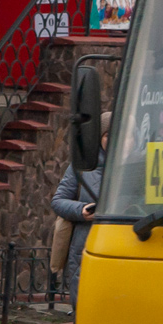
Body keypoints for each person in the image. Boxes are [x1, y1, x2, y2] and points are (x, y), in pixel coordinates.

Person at [51, 112, 109, 313]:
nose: (112, 141)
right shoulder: (82, 166)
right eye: (107, 135)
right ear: (99, 137)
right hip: (84, 244)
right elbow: (58, 201)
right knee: (85, 308)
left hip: (117, 242)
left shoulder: (133, 167)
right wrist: (81, 210)